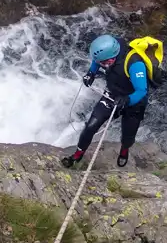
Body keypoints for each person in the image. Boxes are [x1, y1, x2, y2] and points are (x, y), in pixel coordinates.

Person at [62, 34, 150, 168]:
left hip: (133, 101)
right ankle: (78, 154)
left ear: (113, 57)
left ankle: (124, 150)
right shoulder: (105, 55)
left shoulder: (135, 64)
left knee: (128, 134)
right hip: (112, 95)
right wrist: (91, 73)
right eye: (101, 63)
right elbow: (97, 61)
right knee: (90, 127)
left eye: (105, 63)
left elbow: (141, 90)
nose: (103, 66)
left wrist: (127, 100)